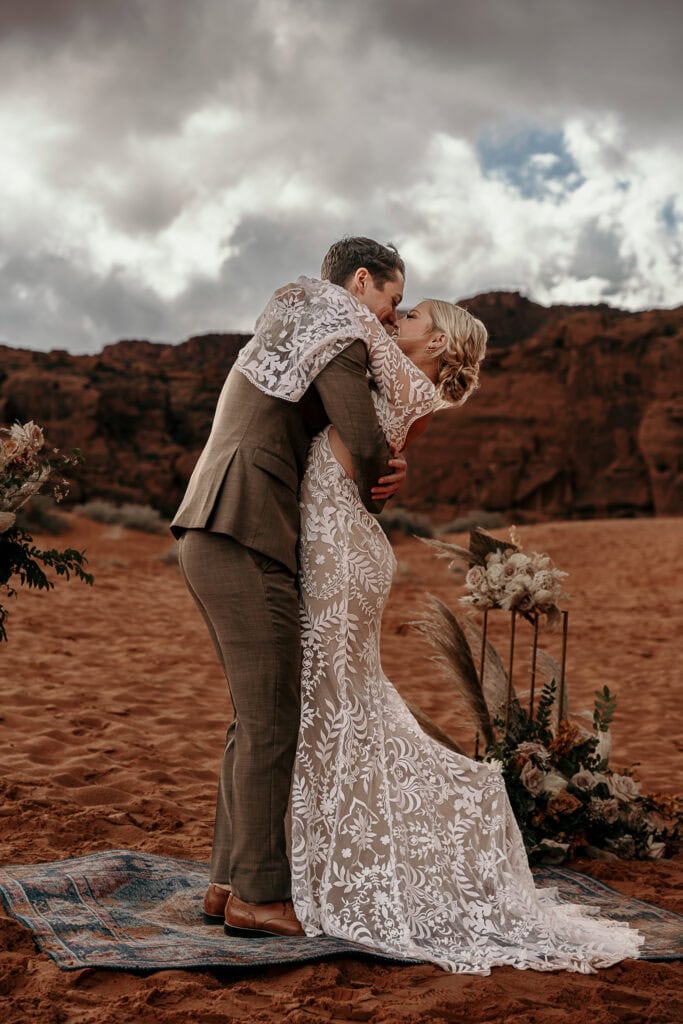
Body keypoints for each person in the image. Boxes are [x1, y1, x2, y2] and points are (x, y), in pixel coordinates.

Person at [288, 296, 644, 973]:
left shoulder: (398, 377)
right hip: (341, 544)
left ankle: (342, 852)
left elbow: (341, 318)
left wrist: (352, 292)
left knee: (334, 700)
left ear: (441, 343)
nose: (396, 319)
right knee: (338, 698)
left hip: (341, 550)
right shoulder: (407, 386)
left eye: (413, 315)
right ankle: (328, 845)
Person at [171, 237, 408, 937]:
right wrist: (380, 482)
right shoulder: (336, 323)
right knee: (275, 718)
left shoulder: (296, 318)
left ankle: (227, 883)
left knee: (255, 717)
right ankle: (261, 896)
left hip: (218, 523)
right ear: (361, 282)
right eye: (392, 301)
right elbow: (361, 440)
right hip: (245, 527)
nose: (391, 319)